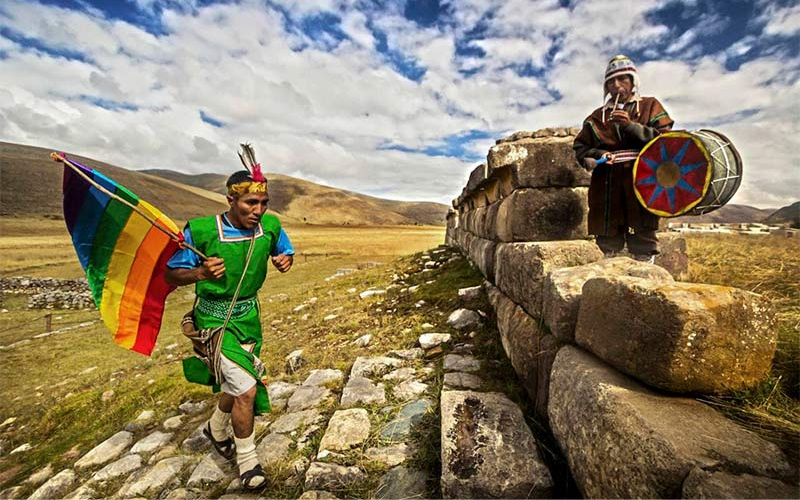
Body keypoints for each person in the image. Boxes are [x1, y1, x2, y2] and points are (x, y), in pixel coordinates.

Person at [165, 158, 293, 490]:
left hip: (249, 319)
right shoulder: (202, 231)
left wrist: (284, 260)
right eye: (251, 202)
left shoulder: (272, 228)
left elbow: (285, 251)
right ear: (231, 201)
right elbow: (171, 273)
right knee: (247, 389)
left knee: (235, 383)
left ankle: (216, 429)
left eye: (264, 203)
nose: (258, 210)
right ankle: (248, 460)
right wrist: (200, 273)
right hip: (212, 320)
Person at [573, 54, 674, 261]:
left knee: (643, 230)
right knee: (608, 233)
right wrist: (599, 154)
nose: (617, 85)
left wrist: (631, 127)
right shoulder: (596, 117)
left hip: (642, 177)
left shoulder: (650, 106)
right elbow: (580, 147)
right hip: (607, 181)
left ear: (633, 81)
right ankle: (608, 272)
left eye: (622, 79)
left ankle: (646, 268)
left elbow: (667, 141)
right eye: (611, 82)